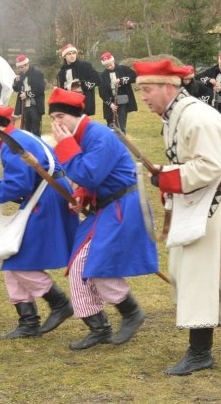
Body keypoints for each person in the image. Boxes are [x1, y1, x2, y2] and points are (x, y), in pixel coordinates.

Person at [134, 59, 221, 376]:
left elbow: (209, 166)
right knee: (192, 268)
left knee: (198, 272)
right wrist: (169, 179)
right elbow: (189, 161)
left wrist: (168, 179)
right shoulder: (174, 114)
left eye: (147, 89)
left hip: (217, 198)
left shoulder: (196, 117)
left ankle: (200, 352)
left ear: (168, 87)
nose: (144, 97)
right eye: (141, 90)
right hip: (203, 195)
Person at [48, 88, 157, 350]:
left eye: (61, 116)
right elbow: (91, 181)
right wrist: (82, 196)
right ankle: (97, 327)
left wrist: (65, 148)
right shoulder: (81, 136)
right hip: (106, 208)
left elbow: (89, 174)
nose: (57, 123)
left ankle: (130, 311)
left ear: (76, 115)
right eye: (53, 118)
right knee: (79, 268)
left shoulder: (98, 136)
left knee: (95, 264)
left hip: (123, 207)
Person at [0, 102, 78, 339]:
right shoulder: (19, 137)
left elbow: (18, 184)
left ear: (1, 126)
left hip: (46, 198)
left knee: (18, 260)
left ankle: (59, 303)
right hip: (46, 193)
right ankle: (28, 321)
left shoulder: (12, 144)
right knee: (11, 259)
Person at [97, 52, 138, 133]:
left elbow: (135, 77)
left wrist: (123, 80)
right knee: (110, 127)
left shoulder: (123, 69)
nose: (109, 67)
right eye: (107, 66)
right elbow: (102, 92)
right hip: (110, 103)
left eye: (110, 64)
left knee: (120, 127)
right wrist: (110, 104)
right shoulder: (103, 75)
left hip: (122, 101)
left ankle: (122, 142)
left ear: (113, 60)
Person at [56, 44, 100, 116]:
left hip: (84, 105)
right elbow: (61, 89)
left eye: (74, 53)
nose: (72, 55)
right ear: (64, 56)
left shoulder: (86, 66)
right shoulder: (61, 72)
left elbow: (98, 79)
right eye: (69, 54)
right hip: (69, 106)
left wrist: (80, 84)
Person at [11, 53, 46, 136]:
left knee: (35, 130)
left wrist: (27, 94)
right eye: (19, 67)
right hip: (24, 107)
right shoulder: (20, 75)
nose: (21, 69)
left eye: (22, 67)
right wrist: (16, 82)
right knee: (26, 130)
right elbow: (16, 89)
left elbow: (40, 89)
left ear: (27, 64)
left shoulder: (37, 74)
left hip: (35, 106)